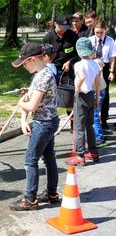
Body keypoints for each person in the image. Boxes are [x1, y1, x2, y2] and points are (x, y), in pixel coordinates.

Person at [8, 43, 60, 211]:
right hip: (50, 121)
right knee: (49, 157)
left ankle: (30, 199)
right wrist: (23, 120)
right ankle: (52, 193)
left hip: (43, 124)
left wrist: (21, 104)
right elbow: (30, 98)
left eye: (24, 63)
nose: (23, 66)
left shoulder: (43, 77)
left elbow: (32, 105)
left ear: (32, 59)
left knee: (30, 160)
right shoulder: (43, 73)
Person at [66, 37, 101, 165]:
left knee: (79, 127)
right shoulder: (95, 64)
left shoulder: (78, 64)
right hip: (91, 95)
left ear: (79, 51)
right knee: (89, 125)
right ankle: (93, 152)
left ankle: (80, 155)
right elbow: (97, 83)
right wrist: (97, 98)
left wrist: (76, 89)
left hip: (81, 96)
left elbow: (81, 77)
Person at [43, 15, 80, 130]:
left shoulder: (72, 35)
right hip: (52, 69)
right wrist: (48, 65)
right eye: (61, 26)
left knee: (69, 98)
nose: (64, 29)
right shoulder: (48, 37)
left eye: (65, 26)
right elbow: (43, 55)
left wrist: (70, 62)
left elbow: (79, 53)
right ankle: (50, 123)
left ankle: (73, 123)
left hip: (68, 70)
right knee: (50, 97)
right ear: (55, 24)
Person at [89, 19, 116, 129]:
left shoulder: (110, 41)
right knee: (92, 93)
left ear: (105, 30)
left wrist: (112, 72)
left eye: (101, 32)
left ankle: (103, 119)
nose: (99, 35)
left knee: (104, 94)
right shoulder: (90, 40)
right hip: (92, 67)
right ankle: (93, 120)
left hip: (104, 68)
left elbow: (112, 57)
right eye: (97, 33)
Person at [93, 58, 107, 147]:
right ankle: (97, 135)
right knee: (95, 114)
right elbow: (103, 65)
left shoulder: (94, 63)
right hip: (102, 89)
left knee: (94, 115)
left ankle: (99, 137)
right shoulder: (98, 60)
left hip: (97, 90)